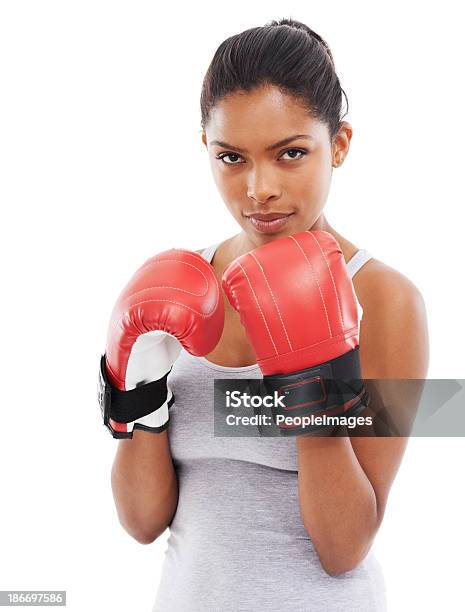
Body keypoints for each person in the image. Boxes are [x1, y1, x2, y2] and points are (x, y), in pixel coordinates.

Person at [106, 18, 429, 611]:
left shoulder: (384, 302)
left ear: (339, 144)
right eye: (232, 157)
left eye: (291, 154)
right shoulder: (177, 289)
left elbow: (344, 546)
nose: (260, 188)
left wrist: (313, 385)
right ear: (206, 148)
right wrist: (139, 400)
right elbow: (142, 522)